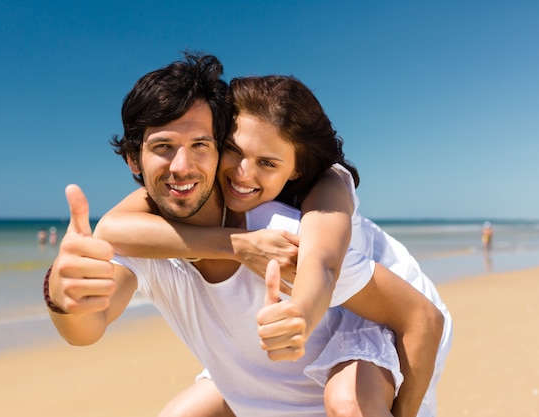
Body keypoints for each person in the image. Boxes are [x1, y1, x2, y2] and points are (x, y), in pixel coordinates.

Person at [46, 53, 408, 416]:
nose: (182, 167)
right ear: (133, 160)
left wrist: (301, 312)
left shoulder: (281, 233)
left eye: (200, 145)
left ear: (219, 150)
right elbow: (86, 329)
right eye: (162, 147)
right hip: (250, 397)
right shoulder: (140, 241)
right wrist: (63, 293)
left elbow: (409, 313)